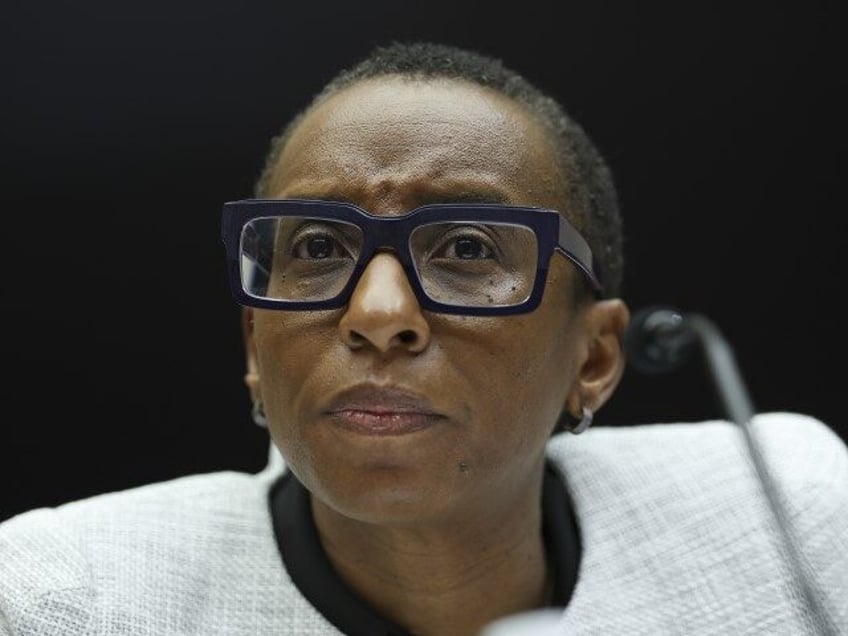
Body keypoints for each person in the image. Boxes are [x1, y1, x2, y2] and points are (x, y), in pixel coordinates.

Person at [0, 41, 845, 636]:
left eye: (469, 250)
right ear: (255, 346)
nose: (376, 313)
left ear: (592, 360)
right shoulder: (62, 599)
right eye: (319, 248)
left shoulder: (787, 510)